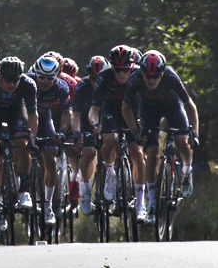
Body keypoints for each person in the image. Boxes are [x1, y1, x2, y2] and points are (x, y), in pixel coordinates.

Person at [122, 50, 199, 219]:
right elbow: (125, 108)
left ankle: (186, 169)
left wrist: (195, 133)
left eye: (155, 76)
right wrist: (135, 130)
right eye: (147, 76)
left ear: (162, 74)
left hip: (173, 107)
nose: (151, 80)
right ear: (142, 73)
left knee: (181, 140)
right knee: (151, 154)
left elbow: (190, 107)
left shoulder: (171, 77)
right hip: (150, 110)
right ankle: (150, 204)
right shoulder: (135, 79)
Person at [0, 56, 38, 229]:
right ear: (0, 77)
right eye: (8, 81)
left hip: (16, 112)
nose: (12, 85)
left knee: (23, 146)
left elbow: (33, 115)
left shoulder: (28, 84)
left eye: (15, 80)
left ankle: (24, 190)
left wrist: (32, 137)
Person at [88, 44, 139, 205]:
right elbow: (94, 109)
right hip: (111, 110)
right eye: (117, 69)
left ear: (132, 66)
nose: (122, 73)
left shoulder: (139, 74)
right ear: (111, 67)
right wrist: (94, 123)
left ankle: (141, 197)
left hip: (133, 110)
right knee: (110, 138)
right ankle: (110, 174)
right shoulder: (104, 76)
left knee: (137, 151)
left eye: (125, 69)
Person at [28, 55, 73, 226]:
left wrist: (61, 131)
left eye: (50, 78)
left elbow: (67, 112)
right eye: (42, 77)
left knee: (51, 159)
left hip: (45, 119)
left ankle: (47, 205)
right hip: (26, 118)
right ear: (35, 73)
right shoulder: (27, 82)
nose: (46, 82)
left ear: (57, 76)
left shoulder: (61, 86)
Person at [71, 57, 107, 215]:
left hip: (107, 118)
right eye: (93, 79)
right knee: (89, 152)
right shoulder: (83, 85)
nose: (95, 82)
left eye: (98, 79)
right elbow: (76, 114)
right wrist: (77, 133)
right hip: (86, 120)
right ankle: (86, 191)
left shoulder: (112, 83)